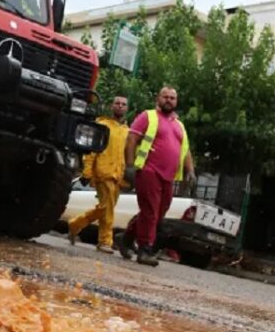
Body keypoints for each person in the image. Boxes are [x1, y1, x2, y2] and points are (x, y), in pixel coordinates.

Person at [124, 87, 196, 266]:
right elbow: (131, 139)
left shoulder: (179, 125)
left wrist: (191, 171)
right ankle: (145, 250)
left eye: (172, 98)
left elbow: (185, 150)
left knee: (158, 212)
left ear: (176, 102)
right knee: (150, 210)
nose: (169, 100)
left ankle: (126, 238)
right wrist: (130, 166)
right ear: (158, 98)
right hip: (148, 170)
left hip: (168, 177)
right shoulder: (147, 116)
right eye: (166, 97)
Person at [68, 96, 130, 253]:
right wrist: (87, 171)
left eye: (123, 104)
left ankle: (76, 224)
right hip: (103, 173)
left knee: (105, 208)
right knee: (107, 210)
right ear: (111, 106)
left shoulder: (127, 131)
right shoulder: (101, 125)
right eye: (117, 103)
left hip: (119, 176)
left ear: (127, 108)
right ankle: (105, 242)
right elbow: (91, 152)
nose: (120, 106)